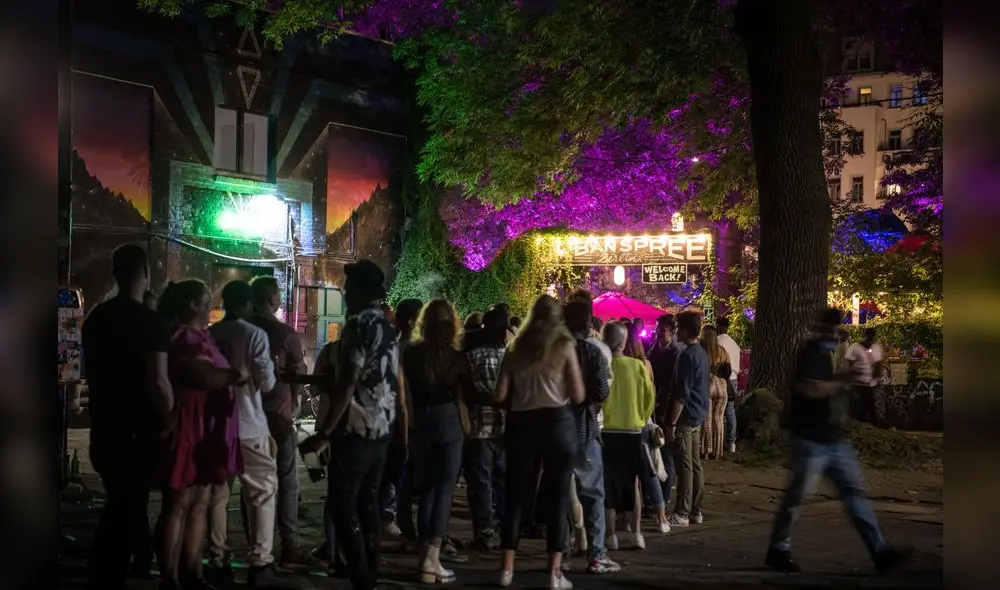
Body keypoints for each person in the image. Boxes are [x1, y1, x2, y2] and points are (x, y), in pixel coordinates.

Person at [766, 308, 912, 575]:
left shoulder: (828, 354)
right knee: (798, 497)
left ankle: (880, 553)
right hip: (810, 440)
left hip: (832, 438)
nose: (834, 335)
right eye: (831, 329)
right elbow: (811, 388)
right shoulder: (810, 354)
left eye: (837, 330)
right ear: (821, 329)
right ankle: (778, 549)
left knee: (854, 493)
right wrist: (843, 379)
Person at [299, 259, 400, 590]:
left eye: (348, 287)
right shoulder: (387, 325)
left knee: (343, 504)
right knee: (368, 502)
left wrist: (325, 432)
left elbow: (348, 381)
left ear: (358, 290)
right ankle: (371, 568)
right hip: (382, 428)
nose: (343, 293)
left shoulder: (358, 325)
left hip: (356, 428)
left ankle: (360, 575)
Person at [81, 245, 172, 590]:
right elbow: (158, 380)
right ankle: (110, 570)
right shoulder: (151, 322)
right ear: (145, 274)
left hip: (104, 425)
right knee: (126, 503)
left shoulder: (95, 320)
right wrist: (172, 417)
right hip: (139, 431)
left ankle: (135, 560)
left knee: (125, 500)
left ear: (115, 273)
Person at [155, 280, 248, 590]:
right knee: (179, 501)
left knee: (199, 501)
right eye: (206, 301)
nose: (211, 307)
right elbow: (202, 375)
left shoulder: (202, 337)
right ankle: (170, 577)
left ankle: (193, 571)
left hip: (207, 429)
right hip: (189, 426)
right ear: (193, 305)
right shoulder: (184, 337)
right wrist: (236, 374)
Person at [495, 295, 583, 589]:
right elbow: (579, 393)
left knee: (516, 496)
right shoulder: (564, 345)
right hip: (557, 421)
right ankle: (553, 573)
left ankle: (507, 569)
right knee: (557, 497)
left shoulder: (515, 347)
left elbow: (500, 394)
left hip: (522, 423)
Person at [206, 281, 280, 587]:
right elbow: (268, 384)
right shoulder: (255, 335)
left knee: (217, 495)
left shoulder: (208, 336)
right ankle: (259, 563)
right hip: (250, 426)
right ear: (248, 305)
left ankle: (218, 560)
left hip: (215, 428)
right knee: (262, 492)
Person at [247, 276, 314, 569]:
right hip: (278, 415)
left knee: (252, 485)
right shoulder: (286, 335)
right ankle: (289, 544)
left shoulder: (243, 330)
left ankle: (255, 546)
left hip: (249, 416)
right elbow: (298, 378)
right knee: (287, 481)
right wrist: (294, 403)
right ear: (273, 299)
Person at [562, 295, 621, 574]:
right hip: (585, 429)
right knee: (593, 494)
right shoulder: (593, 353)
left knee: (560, 493)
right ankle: (596, 555)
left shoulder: (552, 351)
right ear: (587, 324)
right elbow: (602, 391)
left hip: (556, 431)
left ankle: (560, 554)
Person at [601, 322, 656, 551]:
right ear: (624, 343)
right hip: (633, 431)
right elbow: (649, 397)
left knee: (609, 485)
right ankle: (636, 533)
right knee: (633, 483)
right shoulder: (637, 366)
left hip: (607, 431)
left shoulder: (602, 367)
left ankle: (611, 536)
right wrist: (641, 417)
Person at [462, 307, 509, 552]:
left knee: (480, 482)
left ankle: (485, 531)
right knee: (502, 481)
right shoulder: (508, 355)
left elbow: (466, 392)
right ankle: (504, 528)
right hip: (504, 427)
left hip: (477, 427)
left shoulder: (472, 355)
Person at [665, 311, 709, 528]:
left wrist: (671, 423)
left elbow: (681, 393)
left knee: (684, 465)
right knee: (695, 463)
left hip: (685, 415)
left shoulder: (686, 356)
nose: (675, 332)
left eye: (677, 328)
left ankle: (681, 511)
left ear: (684, 330)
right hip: (698, 414)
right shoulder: (701, 352)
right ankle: (696, 509)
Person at [624, 322, 669, 532]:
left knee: (630, 477)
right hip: (644, 421)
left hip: (625, 422)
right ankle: (661, 517)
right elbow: (651, 394)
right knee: (649, 472)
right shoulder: (645, 364)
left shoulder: (619, 365)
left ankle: (630, 520)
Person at [386, 298, 423, 541]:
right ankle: (406, 527)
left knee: (396, 475)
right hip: (411, 418)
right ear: (412, 322)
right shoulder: (414, 351)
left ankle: (394, 520)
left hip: (391, 417)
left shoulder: (389, 347)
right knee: (408, 477)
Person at [647, 314, 679, 508]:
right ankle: (655, 496)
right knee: (654, 454)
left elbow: (672, 386)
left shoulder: (674, 354)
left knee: (666, 456)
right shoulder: (653, 351)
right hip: (654, 409)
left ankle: (664, 496)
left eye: (662, 329)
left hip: (665, 409)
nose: (658, 332)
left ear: (672, 331)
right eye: (657, 329)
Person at [699, 325, 731, 459]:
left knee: (706, 419)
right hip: (722, 387)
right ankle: (717, 451)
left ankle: (706, 450)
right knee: (718, 419)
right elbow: (728, 372)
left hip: (707, 386)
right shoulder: (723, 351)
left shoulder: (700, 350)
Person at [845, 327, 884, 426]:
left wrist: (878, 377)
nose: (870, 339)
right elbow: (849, 362)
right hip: (858, 381)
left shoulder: (876, 348)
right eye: (868, 337)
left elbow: (878, 364)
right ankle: (874, 423)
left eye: (871, 337)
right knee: (867, 402)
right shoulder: (856, 347)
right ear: (865, 336)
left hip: (870, 382)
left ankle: (864, 421)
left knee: (866, 402)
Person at [716, 317, 741, 453]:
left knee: (716, 411)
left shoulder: (718, 342)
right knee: (730, 411)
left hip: (721, 379)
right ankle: (731, 442)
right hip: (734, 379)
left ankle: (716, 441)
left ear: (718, 327)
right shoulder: (734, 344)